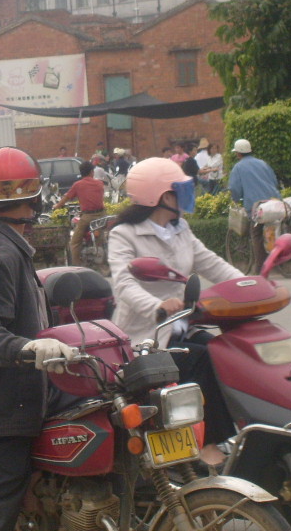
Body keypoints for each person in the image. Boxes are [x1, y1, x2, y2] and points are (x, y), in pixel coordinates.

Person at [0, 146, 77, 531]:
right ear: (35, 199)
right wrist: (28, 347)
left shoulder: (6, 243)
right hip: (2, 409)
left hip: (26, 395)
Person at [107, 157, 243, 466]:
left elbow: (211, 263)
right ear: (162, 196)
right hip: (146, 335)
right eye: (179, 189)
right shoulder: (124, 234)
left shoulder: (180, 229)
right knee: (201, 359)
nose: (186, 195)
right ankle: (208, 444)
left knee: (226, 351)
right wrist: (156, 306)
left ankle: (238, 430)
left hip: (180, 326)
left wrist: (248, 285)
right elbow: (124, 283)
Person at [227, 139, 280, 273]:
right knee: (275, 228)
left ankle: (260, 268)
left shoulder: (238, 167)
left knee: (256, 233)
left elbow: (234, 188)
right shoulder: (263, 163)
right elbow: (274, 181)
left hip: (257, 206)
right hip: (274, 201)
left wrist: (236, 199)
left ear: (238, 153)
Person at [52, 160, 105, 265]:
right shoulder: (100, 183)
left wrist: (57, 206)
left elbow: (66, 197)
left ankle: (76, 265)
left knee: (75, 242)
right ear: (91, 172)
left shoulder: (78, 185)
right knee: (102, 235)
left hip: (88, 217)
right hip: (102, 215)